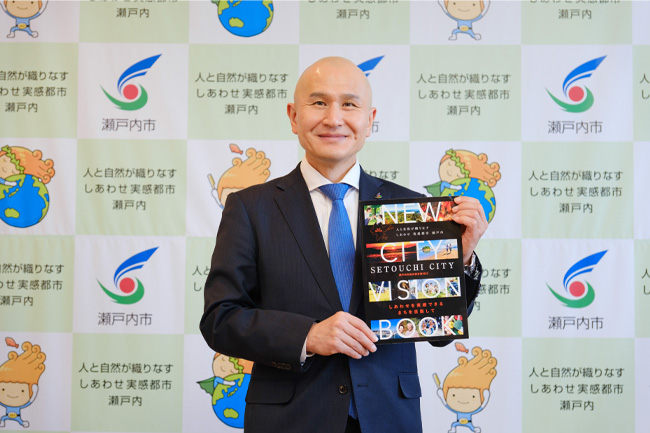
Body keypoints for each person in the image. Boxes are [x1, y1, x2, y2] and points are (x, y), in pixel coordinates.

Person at [200, 56, 487, 433]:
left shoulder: (411, 210)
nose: (334, 118)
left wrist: (459, 259)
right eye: (319, 102)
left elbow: (439, 333)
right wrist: (307, 336)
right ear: (293, 116)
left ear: (369, 120)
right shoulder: (251, 208)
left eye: (350, 104)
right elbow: (220, 320)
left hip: (387, 416)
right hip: (290, 419)